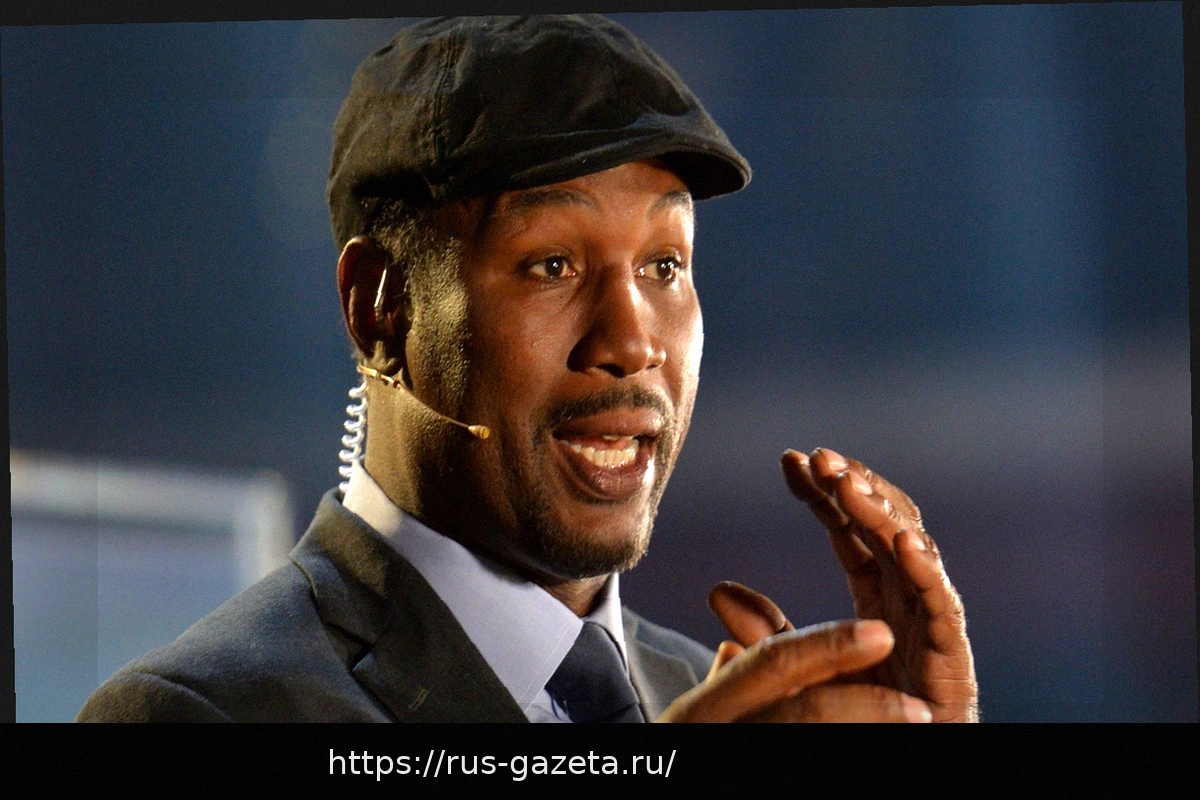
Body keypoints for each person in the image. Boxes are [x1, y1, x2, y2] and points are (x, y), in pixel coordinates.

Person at [78, 15, 977, 723]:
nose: (632, 342)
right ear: (379, 307)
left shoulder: (710, 692)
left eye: (665, 265)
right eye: (553, 264)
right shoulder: (200, 713)